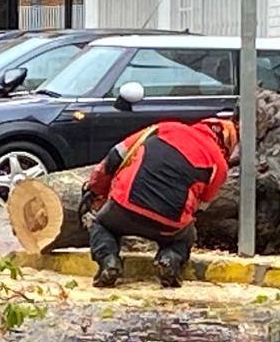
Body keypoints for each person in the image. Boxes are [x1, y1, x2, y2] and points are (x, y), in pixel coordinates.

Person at [81, 117, 238, 289]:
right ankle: (170, 259)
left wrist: (95, 190)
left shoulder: (165, 128)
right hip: (168, 224)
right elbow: (200, 207)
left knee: (102, 224)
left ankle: (108, 261)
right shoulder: (220, 166)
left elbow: (115, 156)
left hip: (124, 206)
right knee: (186, 236)